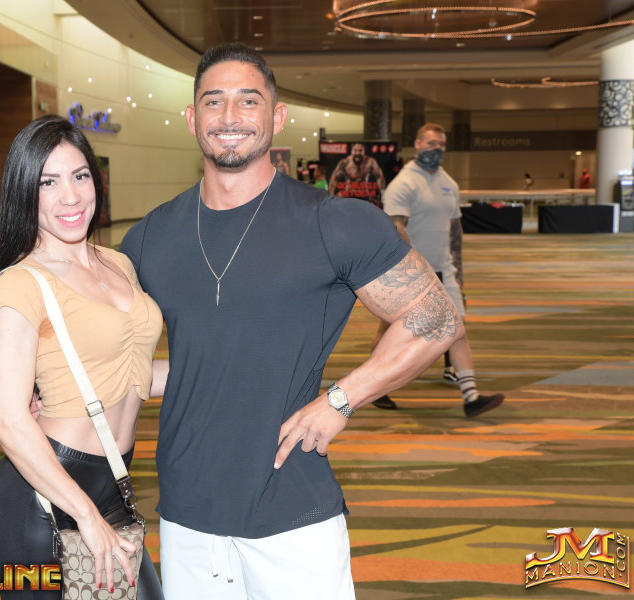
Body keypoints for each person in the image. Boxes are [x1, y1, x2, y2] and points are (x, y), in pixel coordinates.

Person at [120, 43, 463, 599]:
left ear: (276, 116)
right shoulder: (150, 237)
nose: (229, 116)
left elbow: (437, 318)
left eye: (248, 100)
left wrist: (342, 400)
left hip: (294, 513)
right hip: (186, 510)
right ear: (192, 118)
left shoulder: (334, 222)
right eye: (213, 101)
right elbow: (144, 362)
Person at [0, 115, 166, 599]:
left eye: (80, 176)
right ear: (25, 192)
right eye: (49, 182)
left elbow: (133, 372)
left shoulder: (117, 263)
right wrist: (84, 514)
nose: (71, 196)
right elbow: (6, 421)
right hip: (43, 496)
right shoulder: (19, 285)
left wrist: (231, 368)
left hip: (113, 483)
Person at [372, 123, 505, 417]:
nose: (437, 149)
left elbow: (454, 229)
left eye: (441, 145)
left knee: (457, 329)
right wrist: (414, 268)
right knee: (392, 330)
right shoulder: (404, 183)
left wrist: (458, 268)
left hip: (444, 268)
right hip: (411, 271)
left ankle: (471, 397)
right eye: (431, 143)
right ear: (418, 144)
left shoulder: (449, 183)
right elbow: (396, 227)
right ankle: (375, 387)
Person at [328, 142, 387, 208]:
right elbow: (334, 179)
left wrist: (383, 198)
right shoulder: (345, 162)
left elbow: (379, 176)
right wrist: (331, 199)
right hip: (349, 196)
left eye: (360, 150)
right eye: (355, 150)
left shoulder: (370, 162)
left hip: (365, 196)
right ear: (351, 151)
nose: (358, 153)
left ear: (364, 151)